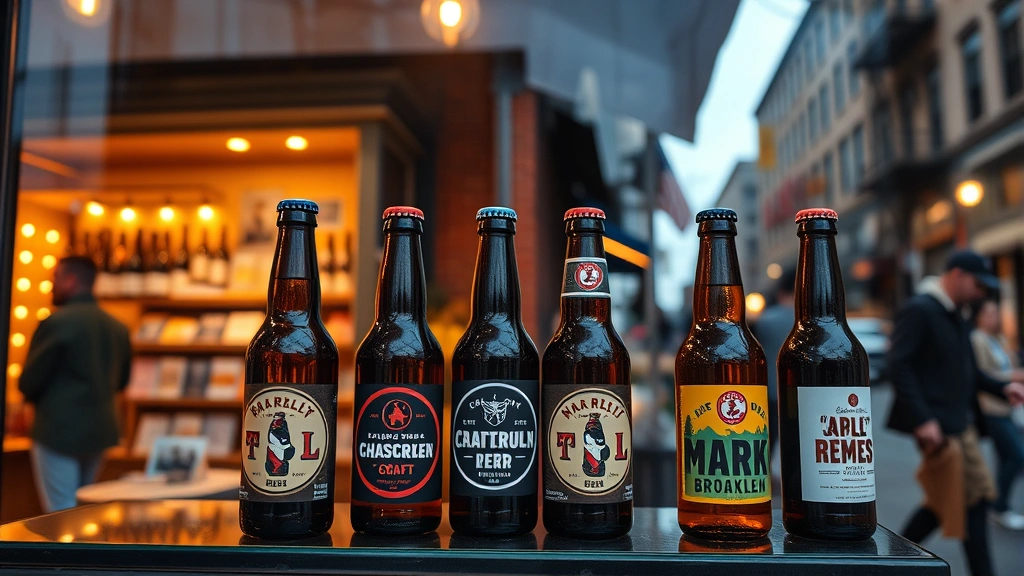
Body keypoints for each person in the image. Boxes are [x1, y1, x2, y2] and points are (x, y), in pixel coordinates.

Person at [887, 251, 1024, 576]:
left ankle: (892, 558)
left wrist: (1002, 388)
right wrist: (922, 419)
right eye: (977, 283)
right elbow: (898, 366)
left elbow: (970, 372)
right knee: (961, 499)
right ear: (958, 274)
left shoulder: (956, 314)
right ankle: (892, 558)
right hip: (941, 427)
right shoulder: (921, 310)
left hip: (959, 424)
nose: (980, 292)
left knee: (957, 500)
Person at [18, 256, 132, 512]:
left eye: (54, 278)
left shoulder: (57, 322)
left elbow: (29, 382)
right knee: (81, 510)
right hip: (101, 430)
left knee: (60, 512)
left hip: (58, 431)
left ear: (70, 280)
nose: (51, 285)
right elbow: (122, 382)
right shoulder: (118, 327)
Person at [970, 299, 1024, 530]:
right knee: (1016, 455)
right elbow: (982, 375)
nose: (995, 317)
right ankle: (999, 505)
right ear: (979, 315)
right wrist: (1014, 377)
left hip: (1006, 406)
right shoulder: (977, 339)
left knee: (1006, 457)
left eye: (996, 312)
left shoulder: (998, 339)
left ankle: (999, 504)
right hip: (990, 408)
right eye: (990, 313)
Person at [752, 268, 796, 453]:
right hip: (797, 389)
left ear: (780, 292)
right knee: (796, 437)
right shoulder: (805, 321)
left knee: (769, 440)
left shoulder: (765, 320)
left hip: (771, 388)